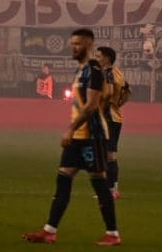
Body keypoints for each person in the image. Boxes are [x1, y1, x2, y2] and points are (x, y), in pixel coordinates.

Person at [23, 28, 120, 247]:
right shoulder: (82, 70)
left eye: (78, 44)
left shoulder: (94, 70)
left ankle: (113, 234)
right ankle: (49, 231)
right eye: (72, 43)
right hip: (78, 136)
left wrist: (70, 128)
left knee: (99, 183)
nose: (73, 47)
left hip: (92, 136)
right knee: (63, 179)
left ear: (88, 44)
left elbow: (92, 105)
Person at [95, 46, 129, 200]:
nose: (97, 59)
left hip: (108, 118)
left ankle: (110, 191)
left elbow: (107, 93)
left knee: (108, 155)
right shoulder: (118, 72)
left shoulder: (107, 73)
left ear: (107, 58)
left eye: (99, 56)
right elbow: (127, 91)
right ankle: (112, 189)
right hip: (115, 117)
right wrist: (117, 105)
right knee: (109, 154)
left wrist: (101, 104)